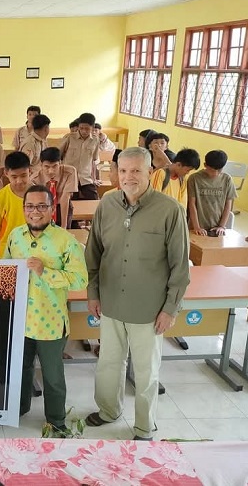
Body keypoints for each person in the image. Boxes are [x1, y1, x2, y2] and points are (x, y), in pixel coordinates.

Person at [84, 147, 190, 441]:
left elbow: (180, 266)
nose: (128, 177)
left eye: (136, 171)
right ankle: (108, 411)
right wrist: (93, 293)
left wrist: (170, 308)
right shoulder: (106, 205)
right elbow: (93, 253)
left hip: (149, 308)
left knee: (145, 370)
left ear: (149, 173)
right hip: (111, 301)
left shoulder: (169, 210)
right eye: (123, 171)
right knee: (109, 363)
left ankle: (144, 425)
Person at [3, 185, 88, 437]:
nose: (35, 211)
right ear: (24, 209)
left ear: (52, 209)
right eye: (30, 206)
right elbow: (5, 272)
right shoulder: (15, 236)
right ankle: (18, 409)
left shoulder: (66, 241)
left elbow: (80, 280)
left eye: (42, 206)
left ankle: (56, 421)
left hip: (51, 321)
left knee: (52, 377)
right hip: (20, 319)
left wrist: (45, 271)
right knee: (21, 370)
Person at [188, 150, 238, 235]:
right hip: (196, 226)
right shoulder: (194, 179)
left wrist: (222, 226)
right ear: (205, 165)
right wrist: (197, 227)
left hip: (217, 227)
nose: (215, 173)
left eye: (219, 170)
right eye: (211, 170)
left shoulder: (227, 179)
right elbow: (192, 204)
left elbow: (228, 205)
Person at [0, 152, 31, 257]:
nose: (19, 181)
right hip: (8, 253)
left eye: (23, 175)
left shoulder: (40, 196)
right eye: (14, 177)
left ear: (30, 171)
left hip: (34, 251)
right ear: (6, 173)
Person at [30, 147, 78, 229]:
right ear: (41, 165)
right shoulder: (34, 179)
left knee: (64, 235)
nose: (51, 171)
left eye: (54, 166)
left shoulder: (70, 172)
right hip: (44, 207)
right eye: (47, 167)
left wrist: (64, 226)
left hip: (63, 207)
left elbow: (65, 198)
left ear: (60, 163)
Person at [59, 113, 100, 201]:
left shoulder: (95, 140)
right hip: (69, 177)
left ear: (92, 127)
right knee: (72, 201)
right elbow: (59, 156)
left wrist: (94, 178)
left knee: (94, 200)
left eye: (87, 129)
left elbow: (94, 160)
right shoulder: (69, 138)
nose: (84, 131)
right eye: (81, 128)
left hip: (85, 178)